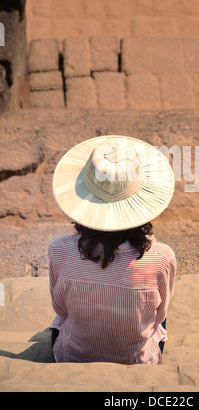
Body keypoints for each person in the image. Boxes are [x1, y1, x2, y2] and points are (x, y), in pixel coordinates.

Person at [48, 135, 176, 364]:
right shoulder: (162, 256)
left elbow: (60, 308)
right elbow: (159, 316)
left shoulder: (57, 249)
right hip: (136, 359)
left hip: (73, 357)